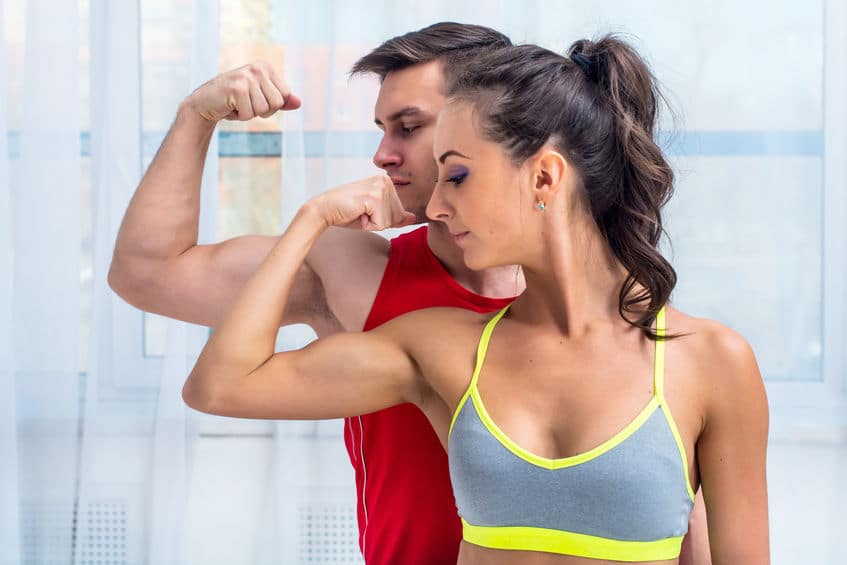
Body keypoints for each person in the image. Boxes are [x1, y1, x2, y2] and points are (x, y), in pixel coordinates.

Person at [110, 23, 711, 564]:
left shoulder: (614, 305)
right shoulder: (353, 272)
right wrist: (197, 116)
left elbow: (670, 490)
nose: (382, 154)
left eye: (410, 126)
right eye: (382, 128)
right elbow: (147, 274)